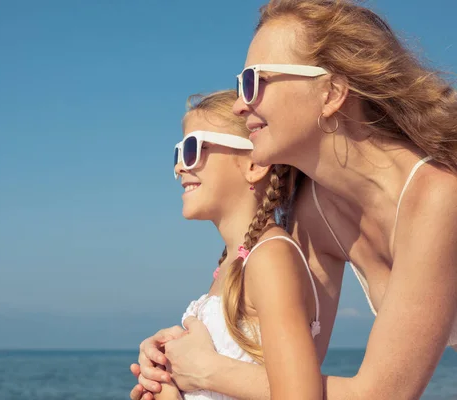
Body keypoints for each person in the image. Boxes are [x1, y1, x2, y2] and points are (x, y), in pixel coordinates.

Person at [131, 1, 457, 399]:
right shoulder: (315, 211)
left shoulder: (438, 196)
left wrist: (206, 371)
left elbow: (383, 395)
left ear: (332, 92)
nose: (239, 103)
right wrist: (173, 360)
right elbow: (279, 370)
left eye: (254, 81)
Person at [153, 89, 326, 400]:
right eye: (178, 154)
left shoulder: (270, 258)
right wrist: (166, 377)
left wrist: (202, 368)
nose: (180, 167)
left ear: (253, 165)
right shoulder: (233, 263)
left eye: (193, 149)